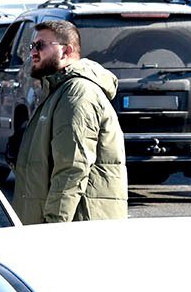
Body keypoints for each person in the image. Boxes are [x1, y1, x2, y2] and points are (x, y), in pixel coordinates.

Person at [11, 20, 128, 225]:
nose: (33, 53)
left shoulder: (78, 93)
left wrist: (55, 226)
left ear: (66, 51)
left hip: (75, 229)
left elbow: (72, 167)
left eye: (41, 45)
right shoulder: (58, 91)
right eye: (32, 46)